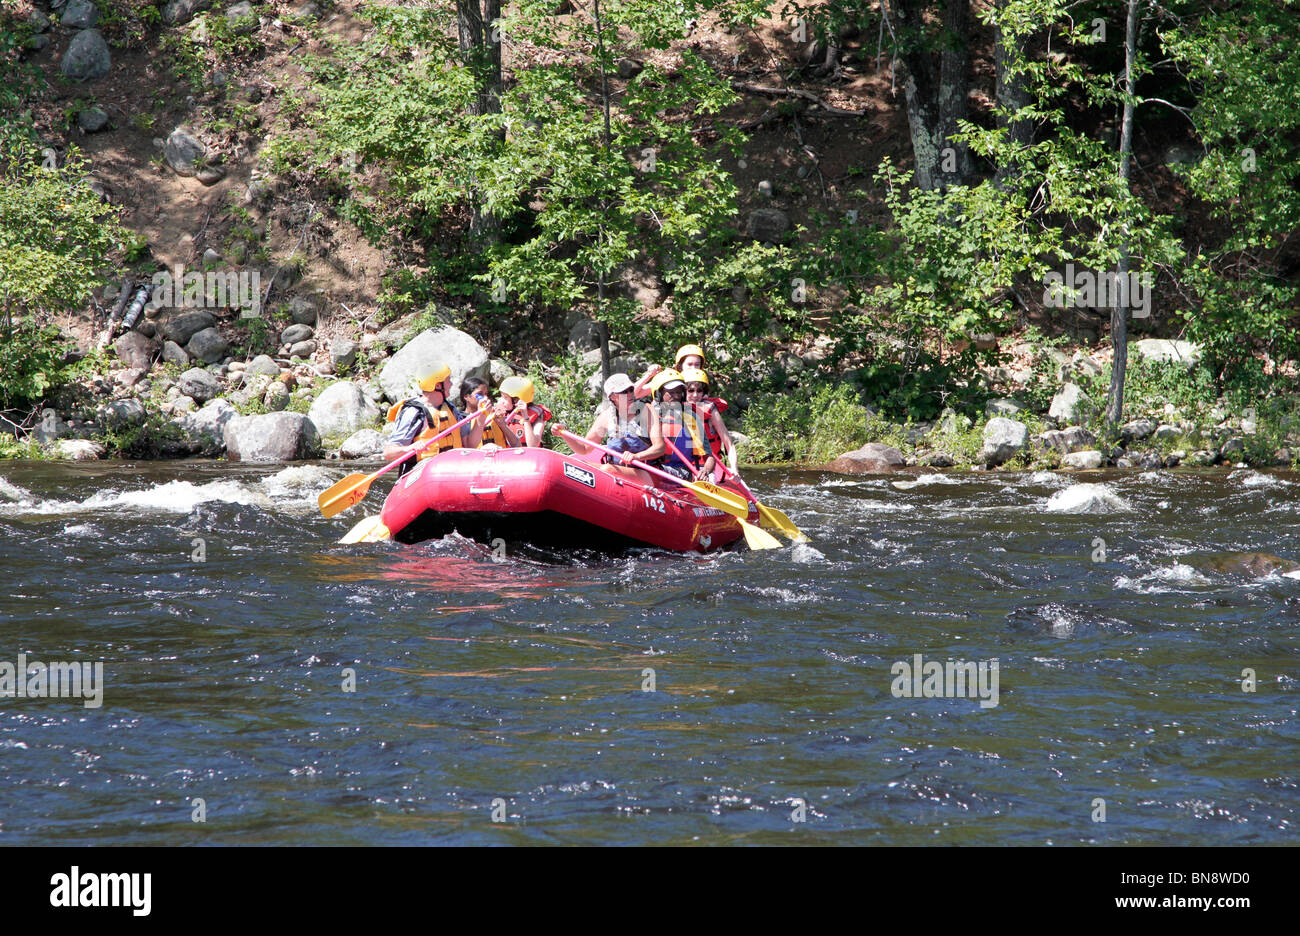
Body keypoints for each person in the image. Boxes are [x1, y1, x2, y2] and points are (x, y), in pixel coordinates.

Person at [554, 373, 658, 484]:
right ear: (613, 397)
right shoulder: (606, 417)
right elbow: (584, 449)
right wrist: (564, 434)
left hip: (647, 473)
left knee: (607, 469)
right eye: (624, 392)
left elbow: (659, 448)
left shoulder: (646, 410)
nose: (630, 394)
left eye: (631, 390)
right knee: (577, 464)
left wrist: (636, 456)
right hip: (617, 471)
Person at [383, 364, 486, 475]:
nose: (451, 384)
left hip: (454, 470)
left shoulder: (451, 409)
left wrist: (482, 416)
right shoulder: (414, 412)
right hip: (425, 474)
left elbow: (470, 446)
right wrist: (409, 448)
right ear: (438, 386)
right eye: (448, 380)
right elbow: (388, 453)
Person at [646, 369, 715, 482]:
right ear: (659, 394)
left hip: (681, 472)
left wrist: (705, 470)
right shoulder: (648, 414)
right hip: (653, 468)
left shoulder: (691, 418)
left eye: (679, 392)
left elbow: (710, 457)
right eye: (671, 392)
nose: (676, 396)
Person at [680, 367, 738, 478]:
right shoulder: (675, 408)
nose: (696, 395)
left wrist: (734, 470)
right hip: (683, 465)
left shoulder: (710, 409)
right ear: (683, 391)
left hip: (708, 466)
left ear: (704, 392)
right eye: (691, 390)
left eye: (699, 391)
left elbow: (729, 445)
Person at [462, 376, 518, 448]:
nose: (485, 398)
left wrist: (502, 425)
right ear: (466, 397)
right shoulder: (461, 420)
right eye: (480, 394)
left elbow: (516, 445)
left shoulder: (495, 415)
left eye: (486, 394)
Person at [498, 375, 550, 448]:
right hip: (508, 456)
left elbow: (533, 445)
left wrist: (525, 417)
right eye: (501, 396)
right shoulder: (503, 414)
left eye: (505, 398)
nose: (501, 401)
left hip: (527, 456)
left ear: (516, 400)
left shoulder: (538, 419)